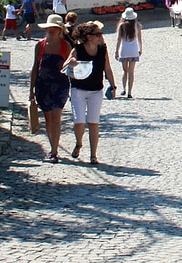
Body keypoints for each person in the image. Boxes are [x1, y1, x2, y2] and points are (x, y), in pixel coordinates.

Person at [63, 21, 117, 165]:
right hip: (78, 89)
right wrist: (72, 61)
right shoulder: (77, 49)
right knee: (79, 121)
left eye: (100, 34)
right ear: (88, 36)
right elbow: (64, 66)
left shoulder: (102, 49)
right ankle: (79, 143)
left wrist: (113, 86)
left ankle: (93, 155)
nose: (101, 36)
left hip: (96, 90)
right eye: (97, 34)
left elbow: (108, 68)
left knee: (93, 122)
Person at [30, 14, 72, 163]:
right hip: (43, 85)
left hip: (60, 85)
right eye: (50, 28)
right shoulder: (40, 45)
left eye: (55, 28)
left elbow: (70, 66)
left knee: (56, 116)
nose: (52, 30)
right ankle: (52, 147)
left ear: (60, 30)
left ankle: (54, 151)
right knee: (48, 118)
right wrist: (31, 91)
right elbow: (35, 67)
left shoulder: (65, 46)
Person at [115, 7, 143, 98]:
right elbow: (139, 39)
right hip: (133, 50)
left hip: (124, 50)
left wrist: (116, 51)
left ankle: (124, 89)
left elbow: (119, 39)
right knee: (131, 72)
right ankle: (130, 92)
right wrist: (140, 49)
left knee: (125, 71)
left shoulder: (122, 26)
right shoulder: (137, 26)